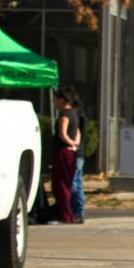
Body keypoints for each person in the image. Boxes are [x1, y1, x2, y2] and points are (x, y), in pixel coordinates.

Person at [50, 90, 81, 224]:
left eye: (55, 100)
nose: (54, 103)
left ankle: (64, 215)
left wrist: (69, 142)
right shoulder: (74, 114)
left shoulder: (64, 115)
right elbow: (77, 132)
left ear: (62, 100)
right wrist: (75, 144)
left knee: (60, 185)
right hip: (71, 152)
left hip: (63, 152)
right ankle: (69, 214)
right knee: (68, 184)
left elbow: (62, 133)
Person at [65, 88, 87, 224]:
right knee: (77, 183)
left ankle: (77, 211)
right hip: (79, 152)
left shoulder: (75, 117)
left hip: (77, 153)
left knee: (74, 183)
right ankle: (79, 212)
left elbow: (78, 134)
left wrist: (73, 145)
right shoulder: (80, 116)